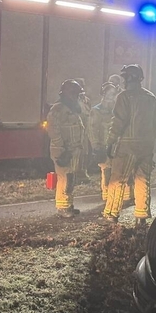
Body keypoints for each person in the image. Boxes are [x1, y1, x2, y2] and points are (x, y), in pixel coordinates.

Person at [103, 65, 156, 224]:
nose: (123, 81)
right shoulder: (151, 98)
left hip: (127, 147)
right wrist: (148, 140)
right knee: (143, 180)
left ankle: (111, 214)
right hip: (146, 146)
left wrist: (110, 141)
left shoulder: (124, 97)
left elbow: (118, 121)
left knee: (118, 180)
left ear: (129, 78)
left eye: (124, 77)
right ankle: (141, 216)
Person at [47, 79, 87, 217]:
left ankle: (68, 204)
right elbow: (53, 131)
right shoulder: (57, 110)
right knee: (65, 179)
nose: (77, 97)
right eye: (75, 94)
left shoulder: (72, 109)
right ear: (67, 94)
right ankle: (63, 207)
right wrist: (61, 151)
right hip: (63, 151)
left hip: (73, 150)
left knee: (70, 179)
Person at [89, 81, 123, 201]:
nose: (111, 96)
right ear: (103, 94)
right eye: (108, 93)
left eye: (113, 94)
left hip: (117, 146)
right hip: (104, 146)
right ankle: (107, 195)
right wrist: (96, 147)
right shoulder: (96, 111)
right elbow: (92, 130)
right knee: (106, 171)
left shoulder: (117, 110)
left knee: (118, 171)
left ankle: (115, 196)